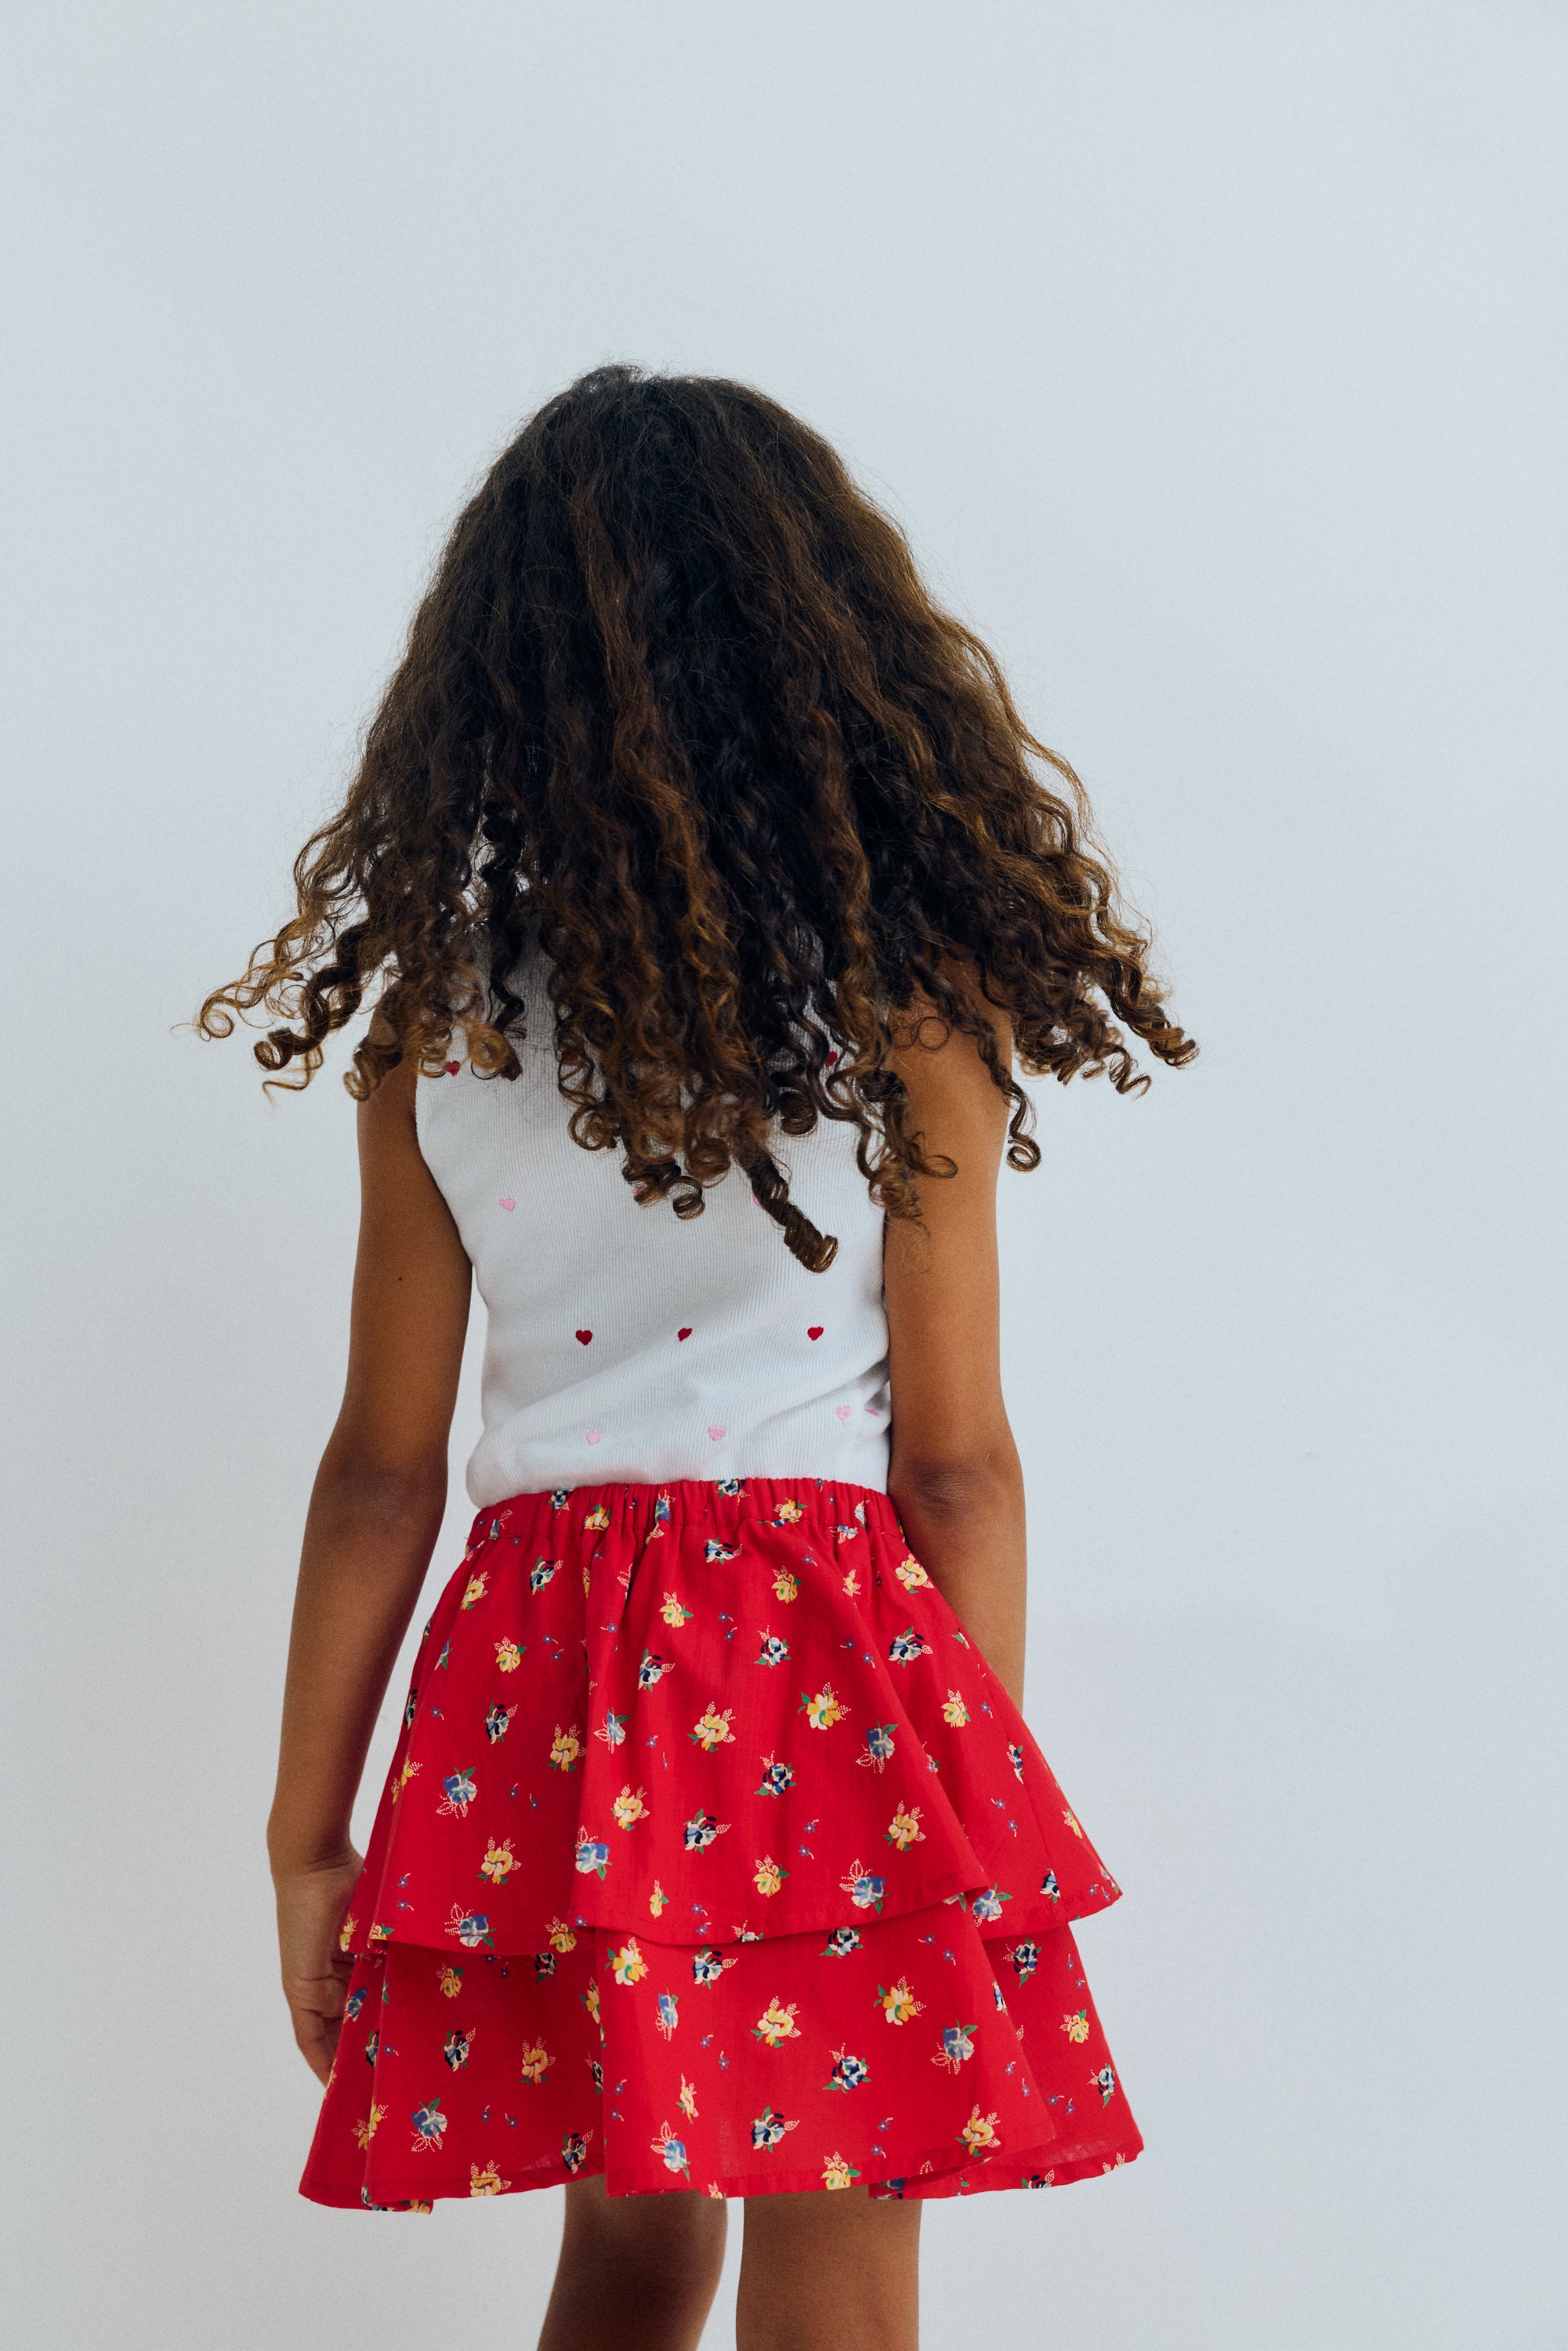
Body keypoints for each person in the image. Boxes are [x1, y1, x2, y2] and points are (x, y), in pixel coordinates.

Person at [201, 364, 1193, 2351]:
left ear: (496, 688)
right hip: (819, 1665)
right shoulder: (911, 1009)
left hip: (549, 1679)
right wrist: (960, 1813)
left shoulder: (441, 1035)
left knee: (632, 2244)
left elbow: (381, 1470)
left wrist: (307, 1833)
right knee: (842, 2239)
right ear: (835, 663)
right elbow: (956, 1467)